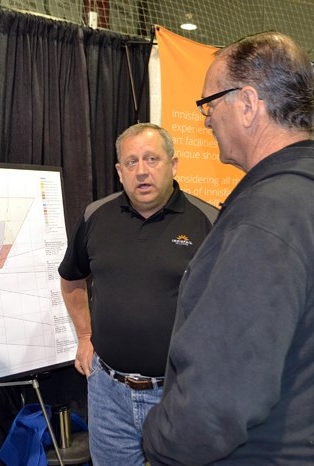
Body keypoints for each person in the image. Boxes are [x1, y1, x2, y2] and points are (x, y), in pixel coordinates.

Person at [142, 31, 314, 464]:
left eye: (209, 104)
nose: (206, 119)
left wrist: (159, 442)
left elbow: (219, 399)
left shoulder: (270, 215)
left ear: (249, 104)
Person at [58, 123, 219, 465]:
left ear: (173, 165)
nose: (142, 171)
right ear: (119, 172)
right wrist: (85, 336)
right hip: (108, 394)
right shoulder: (94, 216)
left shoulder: (209, 222)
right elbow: (71, 280)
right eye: (131, 162)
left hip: (180, 395)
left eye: (152, 159)